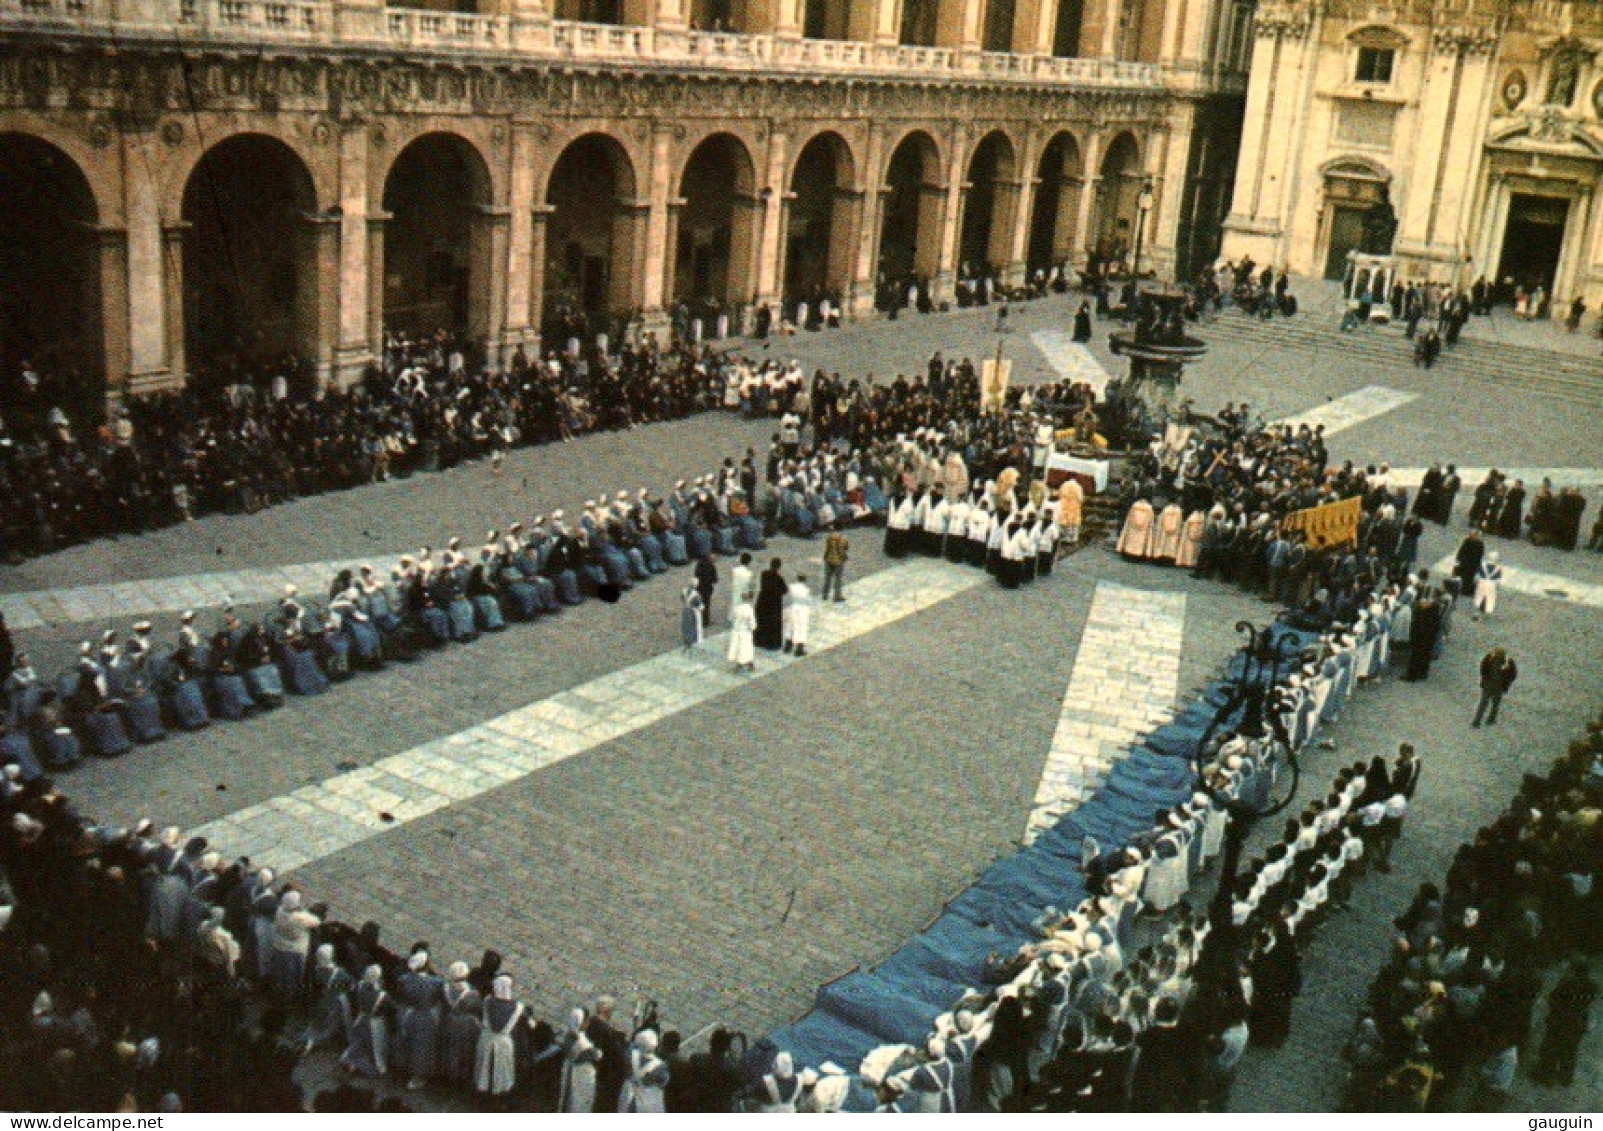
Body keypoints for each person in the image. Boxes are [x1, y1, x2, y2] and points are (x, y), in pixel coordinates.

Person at [1532, 960, 1599, 1085]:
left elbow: (1553, 999)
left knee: (1551, 1047)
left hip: (1560, 1020)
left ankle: (1546, 1075)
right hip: (1578, 1022)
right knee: (1570, 1050)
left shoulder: (1567, 983)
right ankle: (1565, 1077)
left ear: (1574, 971)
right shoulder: (1592, 986)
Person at [1471, 647, 1517, 728]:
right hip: (1499, 686)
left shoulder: (1490, 658)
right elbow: (1513, 674)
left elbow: (1483, 668)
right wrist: (1507, 681)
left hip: (1488, 685)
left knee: (1483, 703)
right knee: (1495, 704)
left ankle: (1477, 721)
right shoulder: (1507, 663)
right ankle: (1490, 720)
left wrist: (1484, 678)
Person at [754, 558, 786, 651]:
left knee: (762, 621)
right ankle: (771, 644)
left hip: (763, 601)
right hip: (773, 604)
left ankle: (759, 641)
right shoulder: (779, 578)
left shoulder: (764, 574)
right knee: (772, 624)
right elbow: (784, 590)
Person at [782, 574, 813, 657]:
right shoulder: (806, 590)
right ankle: (799, 649)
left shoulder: (791, 587)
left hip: (791, 608)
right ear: (804, 580)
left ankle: (788, 646)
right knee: (801, 628)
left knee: (790, 627)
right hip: (802, 610)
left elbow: (786, 597)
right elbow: (808, 601)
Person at [1473, 551, 1502, 619]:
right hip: (1491, 585)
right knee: (1489, 598)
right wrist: (1497, 588)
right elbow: (1498, 580)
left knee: (1479, 597)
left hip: (1482, 583)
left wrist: (1476, 582)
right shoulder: (1498, 568)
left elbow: (1477, 576)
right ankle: (1485, 612)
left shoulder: (1482, 565)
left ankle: (1477, 613)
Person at [822, 529, 849, 603]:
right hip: (838, 561)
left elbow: (827, 548)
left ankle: (825, 595)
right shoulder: (843, 539)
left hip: (829, 560)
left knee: (827, 578)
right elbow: (845, 548)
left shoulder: (829, 537)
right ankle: (837, 596)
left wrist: (825, 557)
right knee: (838, 580)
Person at [693, 553, 717, 629]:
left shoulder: (699, 564)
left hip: (699, 588)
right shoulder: (711, 566)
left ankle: (698, 620)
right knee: (706, 605)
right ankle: (705, 621)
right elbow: (714, 579)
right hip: (707, 589)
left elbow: (696, 575)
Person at [679, 585, 704, 652]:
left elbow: (681, 599)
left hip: (685, 611)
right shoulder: (696, 595)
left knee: (686, 627)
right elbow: (701, 607)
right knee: (697, 628)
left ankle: (687, 643)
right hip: (694, 612)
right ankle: (698, 644)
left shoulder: (683, 591)